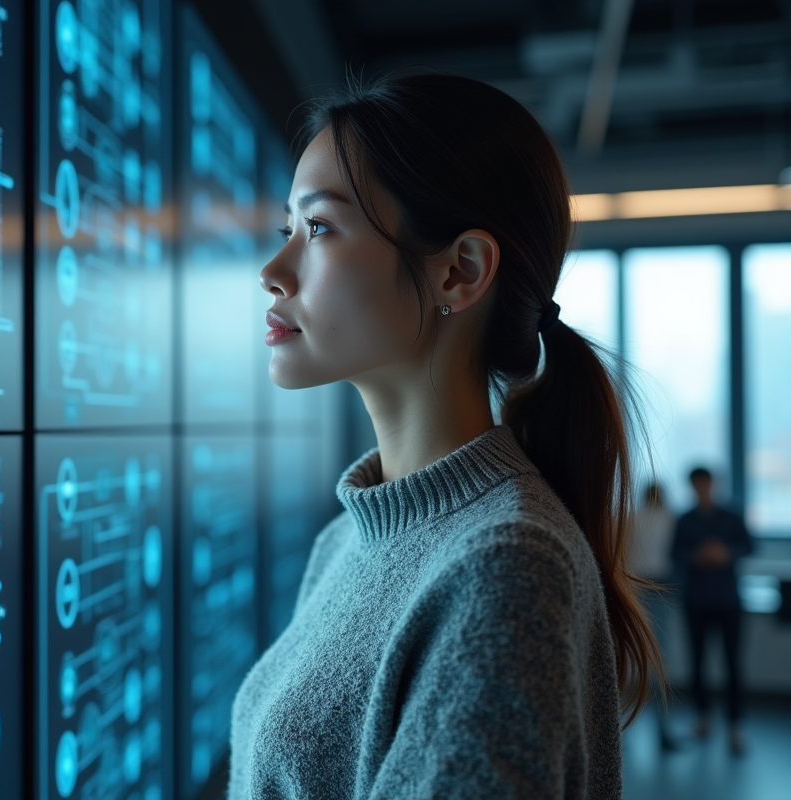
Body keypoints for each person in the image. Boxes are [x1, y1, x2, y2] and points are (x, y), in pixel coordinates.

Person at [231, 74, 660, 800]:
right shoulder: (346, 540)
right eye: (287, 231)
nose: (274, 272)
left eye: (320, 228)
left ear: (460, 272)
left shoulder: (506, 565)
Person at [671, 466, 753, 754]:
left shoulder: (731, 515)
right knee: (698, 661)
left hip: (728, 600)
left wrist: (726, 552)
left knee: (733, 663)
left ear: (712, 485)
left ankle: (735, 725)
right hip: (696, 600)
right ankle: (703, 717)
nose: (702, 489)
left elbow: (749, 546)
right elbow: (675, 554)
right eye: (697, 485)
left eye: (705, 484)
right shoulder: (684, 519)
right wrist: (696, 555)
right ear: (692, 487)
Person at [628, 482, 679, 750]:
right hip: (658, 587)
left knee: (633, 659)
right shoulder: (670, 518)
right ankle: (662, 731)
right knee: (659, 660)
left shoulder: (632, 518)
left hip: (636, 587)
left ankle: (624, 731)